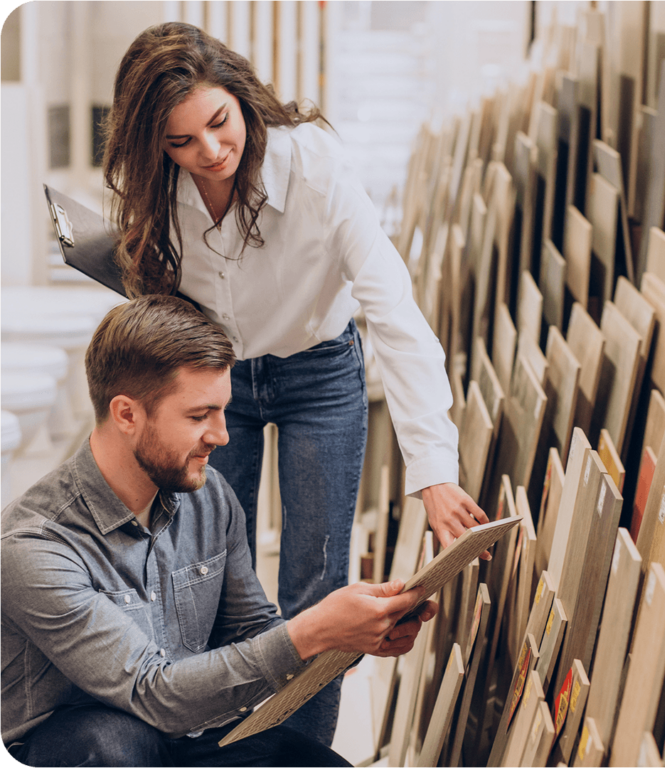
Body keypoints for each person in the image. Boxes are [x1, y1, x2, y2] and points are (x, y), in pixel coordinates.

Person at [102, 21, 488, 743]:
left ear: (243, 98)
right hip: (217, 380)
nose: (210, 153)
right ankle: (220, 749)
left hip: (319, 374)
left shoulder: (314, 167)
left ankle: (302, 756)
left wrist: (434, 471)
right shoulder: (158, 190)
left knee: (317, 587)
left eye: (219, 124)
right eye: (180, 141)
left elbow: (395, 312)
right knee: (206, 577)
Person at [0, 295, 436, 768]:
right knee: (114, 747)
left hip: (186, 731)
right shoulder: (35, 547)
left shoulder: (207, 496)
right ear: (127, 414)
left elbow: (249, 630)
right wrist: (311, 631)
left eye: (223, 410)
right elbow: (153, 691)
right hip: (83, 743)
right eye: (198, 415)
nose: (222, 435)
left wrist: (348, 634)